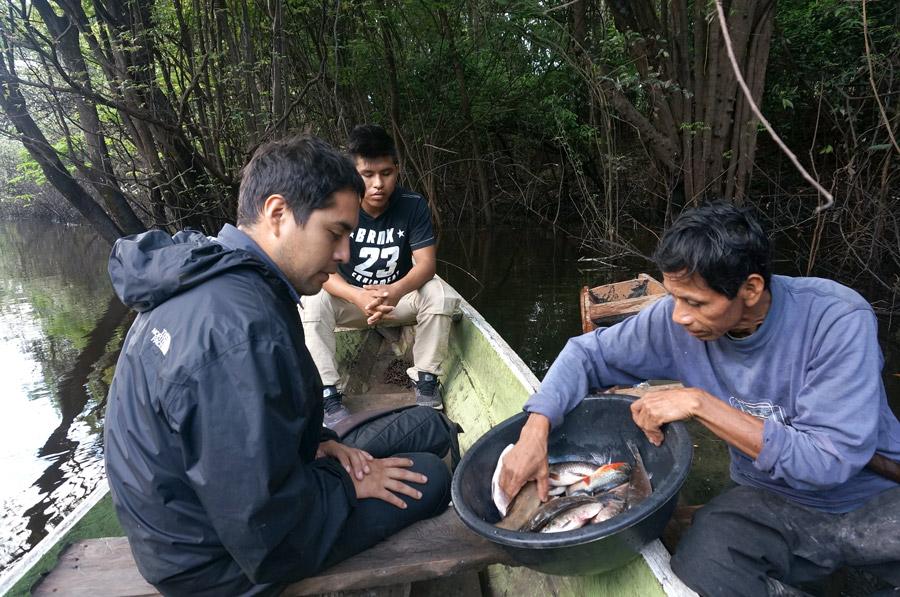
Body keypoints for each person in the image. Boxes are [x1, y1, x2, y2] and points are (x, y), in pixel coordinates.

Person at [104, 135, 453, 597]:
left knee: (431, 426)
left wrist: (322, 446)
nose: (345, 255)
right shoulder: (238, 333)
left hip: (241, 502)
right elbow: (264, 530)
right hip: (217, 560)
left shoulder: (228, 276)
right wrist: (346, 488)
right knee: (431, 476)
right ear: (277, 214)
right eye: (335, 233)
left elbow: (257, 439)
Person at [498, 202, 900, 596]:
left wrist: (699, 402)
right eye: (674, 297)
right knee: (701, 567)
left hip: (873, 497)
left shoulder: (836, 320)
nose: (678, 316)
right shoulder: (675, 325)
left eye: (696, 302)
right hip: (769, 500)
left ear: (751, 288)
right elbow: (586, 355)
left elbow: (827, 463)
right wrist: (537, 427)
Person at [301, 124, 461, 426]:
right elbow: (322, 269)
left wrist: (395, 291)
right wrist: (357, 295)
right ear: (352, 172)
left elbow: (426, 264)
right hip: (351, 303)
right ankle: (328, 393)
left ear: (397, 170)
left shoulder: (412, 205)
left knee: (440, 293)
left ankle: (426, 379)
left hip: (397, 301)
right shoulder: (333, 206)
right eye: (367, 175)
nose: (378, 184)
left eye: (386, 173)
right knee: (313, 300)